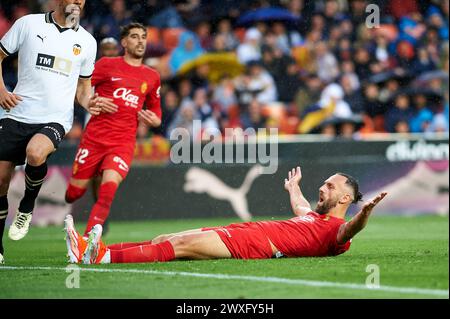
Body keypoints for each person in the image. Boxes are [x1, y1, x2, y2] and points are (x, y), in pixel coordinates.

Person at [64, 167, 388, 265]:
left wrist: (366, 214)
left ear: (345, 198)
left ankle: (99, 258)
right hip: (246, 231)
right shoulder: (315, 219)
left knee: (181, 245)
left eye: (329, 186)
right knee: (166, 239)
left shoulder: (336, 232)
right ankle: (95, 247)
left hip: (253, 246)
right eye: (324, 181)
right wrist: (293, 188)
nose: (323, 187)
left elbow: (349, 230)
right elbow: (301, 207)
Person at [0, 0, 116, 264]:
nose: (77, 2)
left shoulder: (87, 41)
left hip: (55, 118)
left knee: (35, 152)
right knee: (0, 182)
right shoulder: (28, 24)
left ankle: (26, 207)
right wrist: (2, 91)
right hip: (17, 113)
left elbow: (83, 89)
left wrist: (90, 103)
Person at [64, 22, 162, 241]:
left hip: (123, 142)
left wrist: (154, 120)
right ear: (124, 43)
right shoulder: (106, 65)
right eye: (135, 37)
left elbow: (156, 112)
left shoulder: (152, 76)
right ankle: (89, 177)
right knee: (73, 194)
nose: (140, 41)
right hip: (95, 138)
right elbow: (79, 90)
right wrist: (91, 99)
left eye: (143, 37)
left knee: (108, 189)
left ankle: (90, 240)